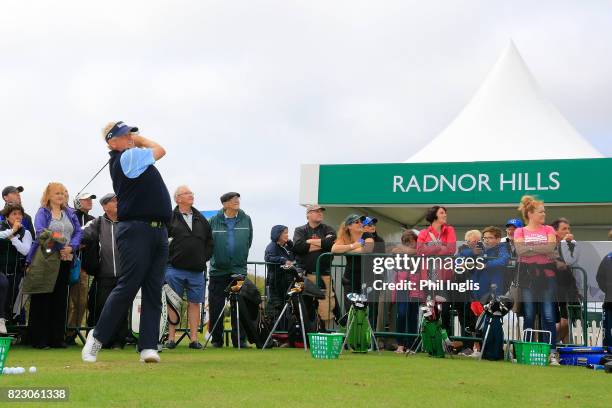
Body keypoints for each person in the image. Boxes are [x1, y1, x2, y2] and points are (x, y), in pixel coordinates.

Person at [82, 121, 171, 363]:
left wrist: (132, 137)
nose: (130, 137)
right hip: (136, 229)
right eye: (124, 134)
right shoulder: (127, 158)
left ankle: (148, 347)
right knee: (129, 285)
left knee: (154, 289)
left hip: (158, 230)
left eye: (130, 133)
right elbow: (161, 149)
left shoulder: (132, 155)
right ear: (112, 142)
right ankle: (97, 337)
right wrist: (140, 139)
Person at [26, 182, 82, 348]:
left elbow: (79, 232)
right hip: (46, 258)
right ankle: (39, 339)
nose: (61, 196)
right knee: (43, 298)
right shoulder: (42, 212)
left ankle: (56, 338)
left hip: (65, 260)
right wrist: (61, 243)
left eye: (64, 193)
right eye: (57, 193)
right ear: (48, 195)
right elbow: (42, 232)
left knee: (60, 299)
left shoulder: (70, 213)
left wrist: (70, 247)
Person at [165, 185, 213, 350]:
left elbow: (209, 242)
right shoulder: (169, 217)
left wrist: (202, 258)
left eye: (191, 193)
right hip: (174, 268)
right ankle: (170, 338)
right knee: (173, 303)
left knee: (195, 304)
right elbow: (162, 240)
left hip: (196, 270)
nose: (191, 195)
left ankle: (194, 339)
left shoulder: (201, 218)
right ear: (178, 198)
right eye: (187, 193)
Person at [513, 195, 559, 364]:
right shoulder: (520, 231)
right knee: (529, 314)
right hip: (527, 276)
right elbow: (520, 250)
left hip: (547, 276)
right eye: (541, 211)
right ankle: (528, 351)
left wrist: (529, 247)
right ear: (530, 213)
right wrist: (541, 249)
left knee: (548, 315)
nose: (544, 214)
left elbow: (551, 247)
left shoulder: (549, 230)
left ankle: (552, 352)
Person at [82, 193, 129, 349]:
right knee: (102, 308)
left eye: (118, 200)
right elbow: (82, 233)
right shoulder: (97, 222)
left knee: (121, 309)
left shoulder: (127, 222)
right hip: (103, 274)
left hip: (124, 275)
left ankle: (119, 341)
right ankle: (102, 340)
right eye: (113, 201)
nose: (117, 202)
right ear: (104, 206)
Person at [208, 192, 253, 348]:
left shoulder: (246, 219)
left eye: (238, 199)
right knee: (216, 306)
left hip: (238, 271)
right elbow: (208, 244)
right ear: (225, 204)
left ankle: (240, 340)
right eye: (233, 200)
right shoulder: (213, 221)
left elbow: (249, 241)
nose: (237, 201)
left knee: (239, 306)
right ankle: (216, 340)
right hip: (218, 272)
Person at [293, 205, 337, 329]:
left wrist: (309, 242)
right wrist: (322, 243)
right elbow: (298, 247)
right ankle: (305, 336)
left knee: (326, 305)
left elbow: (330, 244)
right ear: (308, 215)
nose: (320, 213)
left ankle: (327, 333)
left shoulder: (328, 229)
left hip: (323, 275)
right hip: (305, 274)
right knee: (305, 304)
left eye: (321, 211)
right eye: (316, 211)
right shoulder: (300, 230)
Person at [415, 206, 457, 331]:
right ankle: (430, 338)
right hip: (427, 275)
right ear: (434, 216)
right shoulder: (424, 233)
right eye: (442, 213)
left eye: (445, 213)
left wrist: (430, 247)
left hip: (444, 277)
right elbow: (420, 251)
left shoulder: (449, 230)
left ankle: (447, 339)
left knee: (444, 309)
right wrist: (440, 246)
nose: (445, 215)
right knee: (428, 308)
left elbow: (451, 249)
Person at [66, 192, 97, 345]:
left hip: (82, 268)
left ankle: (71, 333)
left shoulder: (93, 221)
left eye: (90, 199)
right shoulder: (71, 216)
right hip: (64, 264)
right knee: (65, 302)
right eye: (86, 199)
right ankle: (61, 331)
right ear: (78, 202)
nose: (90, 201)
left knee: (80, 302)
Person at [331, 214, 374, 314]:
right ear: (349, 226)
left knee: (365, 310)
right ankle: (350, 329)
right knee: (350, 309)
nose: (360, 224)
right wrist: (353, 246)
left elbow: (367, 249)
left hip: (366, 279)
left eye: (361, 221)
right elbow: (334, 249)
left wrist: (346, 250)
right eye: (357, 222)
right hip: (350, 279)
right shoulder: (345, 237)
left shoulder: (367, 235)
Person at [0, 204, 33, 334]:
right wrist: (12, 231)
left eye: (19, 214)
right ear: (7, 216)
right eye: (14, 214)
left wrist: (13, 237)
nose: (18, 216)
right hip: (1, 270)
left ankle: (12, 332)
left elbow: (25, 251)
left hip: (16, 272)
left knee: (13, 302)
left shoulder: (26, 232)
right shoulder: (1, 227)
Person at [551, 218, 580, 344]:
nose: (568, 231)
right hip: (556, 287)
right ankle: (551, 345)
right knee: (563, 321)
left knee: (571, 321)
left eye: (569, 228)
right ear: (555, 231)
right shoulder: (550, 245)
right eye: (564, 229)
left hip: (570, 286)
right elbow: (561, 264)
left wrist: (570, 244)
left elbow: (575, 260)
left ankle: (562, 349)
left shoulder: (570, 245)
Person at [392, 229, 418, 353]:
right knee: (401, 315)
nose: (409, 245)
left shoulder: (419, 252)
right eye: (406, 243)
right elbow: (395, 265)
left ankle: (411, 345)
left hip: (416, 287)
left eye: (411, 242)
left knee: (413, 316)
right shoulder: (398, 252)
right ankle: (400, 344)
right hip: (402, 286)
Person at [264, 225, 295, 329]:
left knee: (287, 308)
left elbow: (295, 257)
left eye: (287, 232)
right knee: (276, 308)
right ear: (278, 234)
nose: (287, 235)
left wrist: (292, 245)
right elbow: (268, 258)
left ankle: (285, 333)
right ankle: (275, 333)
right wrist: (283, 260)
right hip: (275, 283)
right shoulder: (271, 246)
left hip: (287, 282)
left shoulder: (287, 246)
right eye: (285, 233)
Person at [596, 231, 612, 347]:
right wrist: (608, 290)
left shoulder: (608, 257)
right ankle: (608, 354)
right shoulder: (608, 258)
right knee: (608, 330)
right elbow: (599, 278)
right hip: (609, 302)